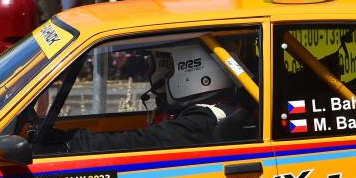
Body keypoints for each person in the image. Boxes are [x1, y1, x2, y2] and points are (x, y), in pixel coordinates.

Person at [37, 42, 248, 155]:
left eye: (167, 66)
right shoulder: (207, 112)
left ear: (194, 69)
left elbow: (138, 141)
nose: (152, 73)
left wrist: (73, 143)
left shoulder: (202, 120)